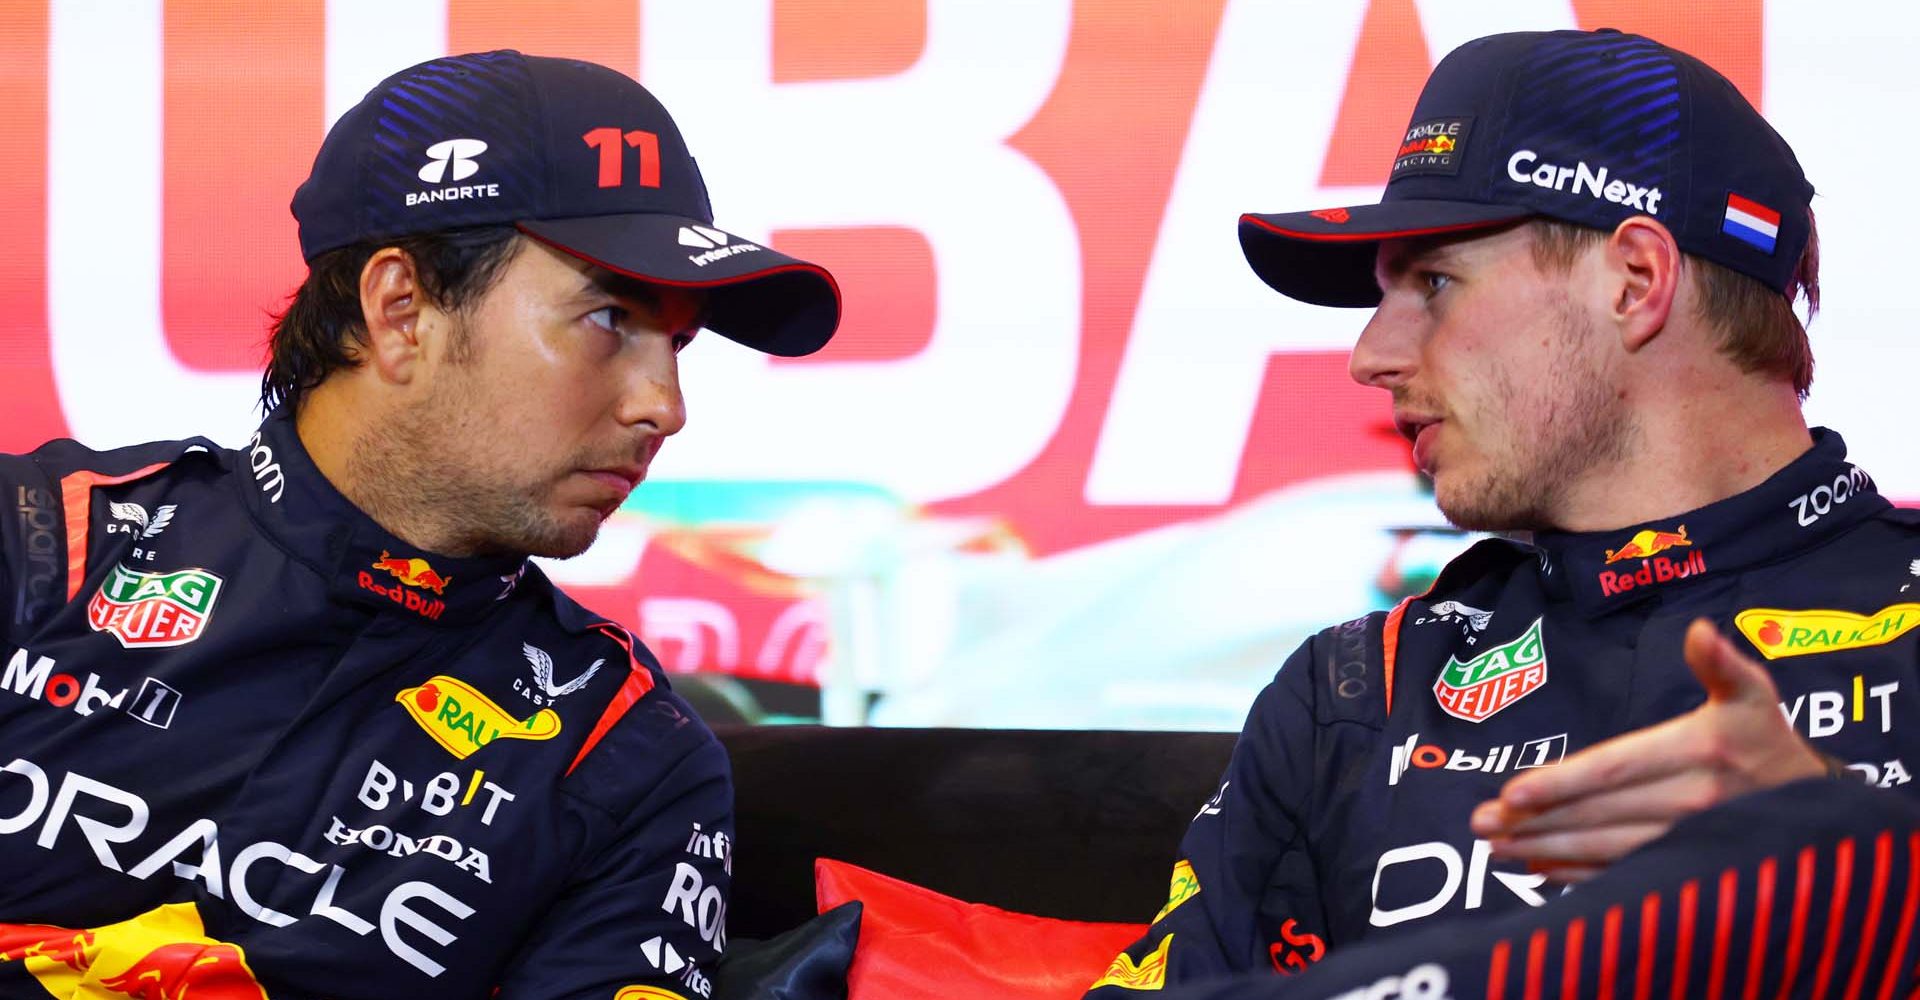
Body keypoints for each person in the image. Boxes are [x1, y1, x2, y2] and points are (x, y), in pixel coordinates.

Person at [1089, 27, 1920, 998]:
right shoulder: (1357, 690)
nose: (1372, 355)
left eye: (1434, 282)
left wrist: (1859, 872)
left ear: (1635, 281)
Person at [0, 50, 838, 999]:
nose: (663, 405)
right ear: (401, 310)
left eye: (677, 344)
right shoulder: (43, 545)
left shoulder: (625, 752)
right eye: (610, 319)